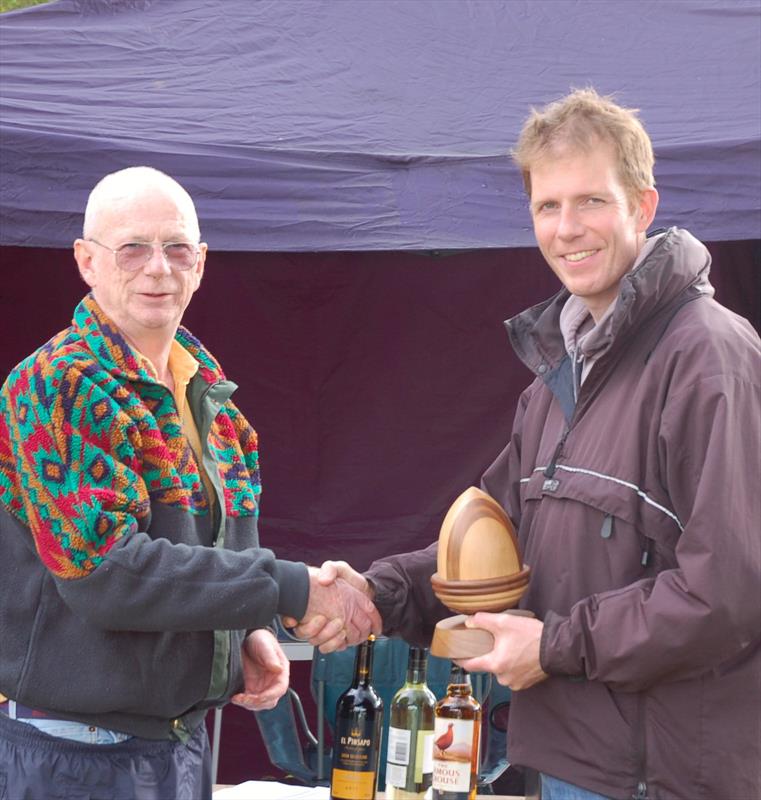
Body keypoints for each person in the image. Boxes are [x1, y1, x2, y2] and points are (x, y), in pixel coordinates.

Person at [290, 89, 761, 799]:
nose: (567, 229)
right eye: (547, 206)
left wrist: (551, 646)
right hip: (565, 765)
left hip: (662, 778)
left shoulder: (708, 356)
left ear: (642, 205)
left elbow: (725, 594)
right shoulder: (552, 387)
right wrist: (372, 595)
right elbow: (489, 553)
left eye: (590, 202)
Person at [0, 166, 380, 800]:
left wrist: (241, 635)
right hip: (72, 757)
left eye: (177, 248)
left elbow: (211, 559)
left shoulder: (213, 398)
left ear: (201, 263)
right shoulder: (58, 386)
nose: (158, 268)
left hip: (181, 745)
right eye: (133, 249)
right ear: (86, 262)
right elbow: (106, 575)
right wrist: (289, 588)